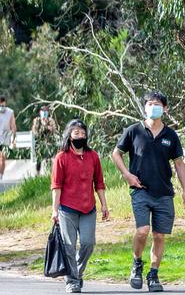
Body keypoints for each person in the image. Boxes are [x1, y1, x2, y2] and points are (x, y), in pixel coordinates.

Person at [111, 91, 185, 293]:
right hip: (141, 191)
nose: (152, 107)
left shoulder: (171, 135)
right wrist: (127, 175)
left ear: (165, 108)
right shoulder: (133, 131)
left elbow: (179, 164)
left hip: (164, 192)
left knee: (159, 236)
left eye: (157, 104)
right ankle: (137, 263)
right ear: (144, 107)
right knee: (142, 231)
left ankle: (153, 274)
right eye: (149, 104)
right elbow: (116, 154)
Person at [51, 119, 109, 293]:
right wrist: (54, 209)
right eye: (77, 133)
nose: (80, 137)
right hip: (67, 209)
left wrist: (104, 205)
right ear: (69, 136)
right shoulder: (62, 157)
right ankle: (72, 281)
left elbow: (99, 183)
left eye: (83, 134)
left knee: (88, 244)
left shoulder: (93, 156)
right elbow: (56, 186)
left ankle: (75, 273)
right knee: (69, 246)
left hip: (88, 209)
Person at [32, 105, 59, 174]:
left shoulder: (50, 120)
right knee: (39, 158)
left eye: (46, 112)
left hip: (49, 142)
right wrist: (42, 127)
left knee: (49, 158)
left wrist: (49, 127)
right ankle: (37, 173)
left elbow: (54, 130)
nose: (44, 114)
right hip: (40, 141)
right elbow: (34, 131)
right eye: (43, 112)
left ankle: (49, 173)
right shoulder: (37, 120)